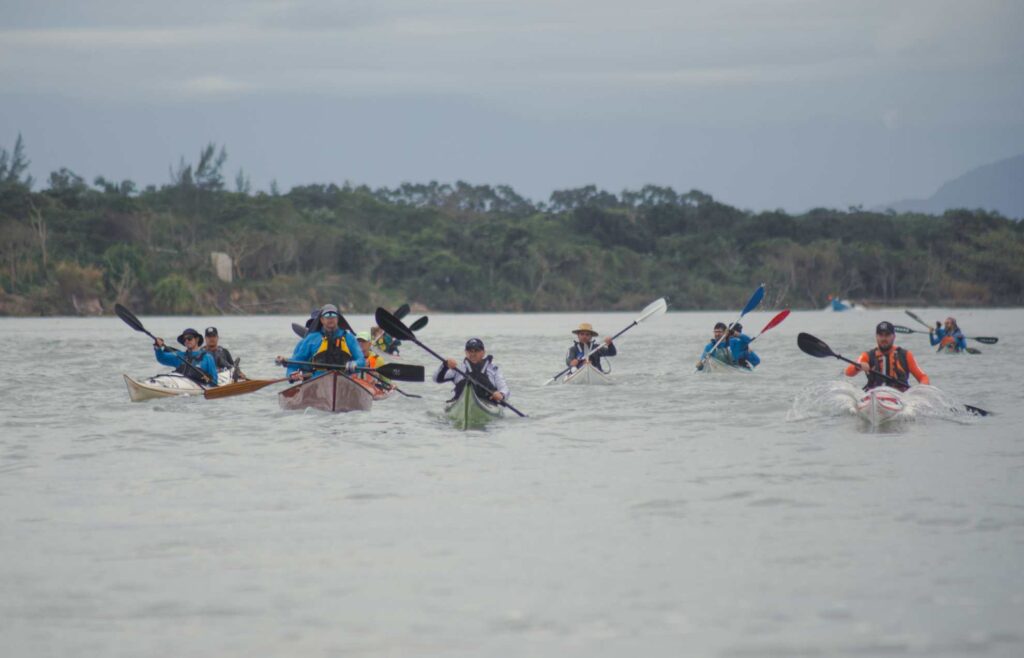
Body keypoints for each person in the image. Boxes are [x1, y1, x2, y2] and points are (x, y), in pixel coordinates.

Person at [277, 304, 365, 382]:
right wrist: (291, 374)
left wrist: (356, 363)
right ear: (322, 320)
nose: (330, 318)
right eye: (327, 316)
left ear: (338, 319)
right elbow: (295, 362)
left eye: (333, 315)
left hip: (344, 380)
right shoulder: (311, 339)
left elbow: (361, 360)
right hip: (317, 380)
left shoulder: (349, 338)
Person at [845, 321, 930, 391]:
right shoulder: (867, 355)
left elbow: (923, 377)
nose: (883, 339)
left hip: (900, 395)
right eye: (880, 335)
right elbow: (848, 372)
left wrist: (921, 389)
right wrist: (858, 367)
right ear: (876, 337)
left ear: (894, 337)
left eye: (887, 335)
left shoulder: (906, 355)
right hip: (874, 394)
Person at [434, 338, 509, 403]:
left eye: (476, 351)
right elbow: (436, 379)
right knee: (464, 383)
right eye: (470, 351)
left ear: (483, 353)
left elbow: (504, 388)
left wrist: (501, 395)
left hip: (487, 402)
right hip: (460, 402)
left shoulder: (493, 369)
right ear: (466, 352)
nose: (473, 354)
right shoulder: (458, 368)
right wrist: (444, 366)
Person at [153, 327, 219, 387]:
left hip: (198, 391)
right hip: (181, 388)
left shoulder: (207, 357)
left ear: (197, 339)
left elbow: (214, 381)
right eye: (185, 339)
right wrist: (157, 347)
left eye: (189, 338)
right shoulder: (179, 355)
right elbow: (161, 358)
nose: (187, 341)